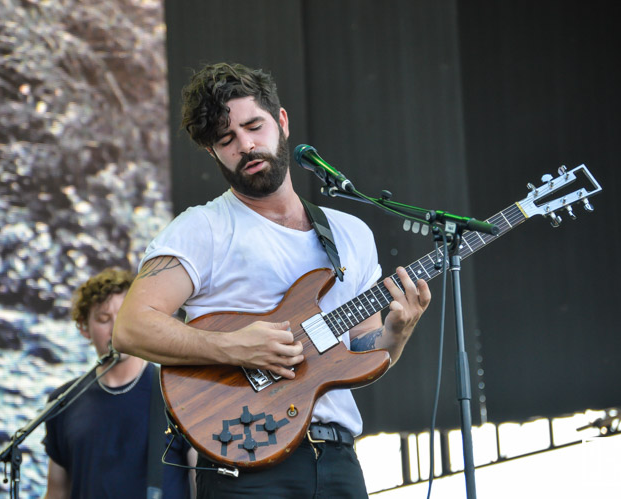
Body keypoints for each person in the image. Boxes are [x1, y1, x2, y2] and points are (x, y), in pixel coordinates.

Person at [113, 63, 431, 498]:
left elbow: (362, 356)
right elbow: (130, 327)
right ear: (213, 152)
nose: (245, 145)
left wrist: (398, 332)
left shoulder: (350, 233)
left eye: (253, 126)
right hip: (245, 461)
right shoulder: (202, 228)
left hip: (338, 460)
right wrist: (230, 346)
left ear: (281, 122)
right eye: (227, 140)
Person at [43, 267, 193, 499]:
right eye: (104, 319)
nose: (116, 329)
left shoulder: (176, 394)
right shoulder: (63, 402)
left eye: (125, 316)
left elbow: (201, 486)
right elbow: (56, 492)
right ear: (84, 328)